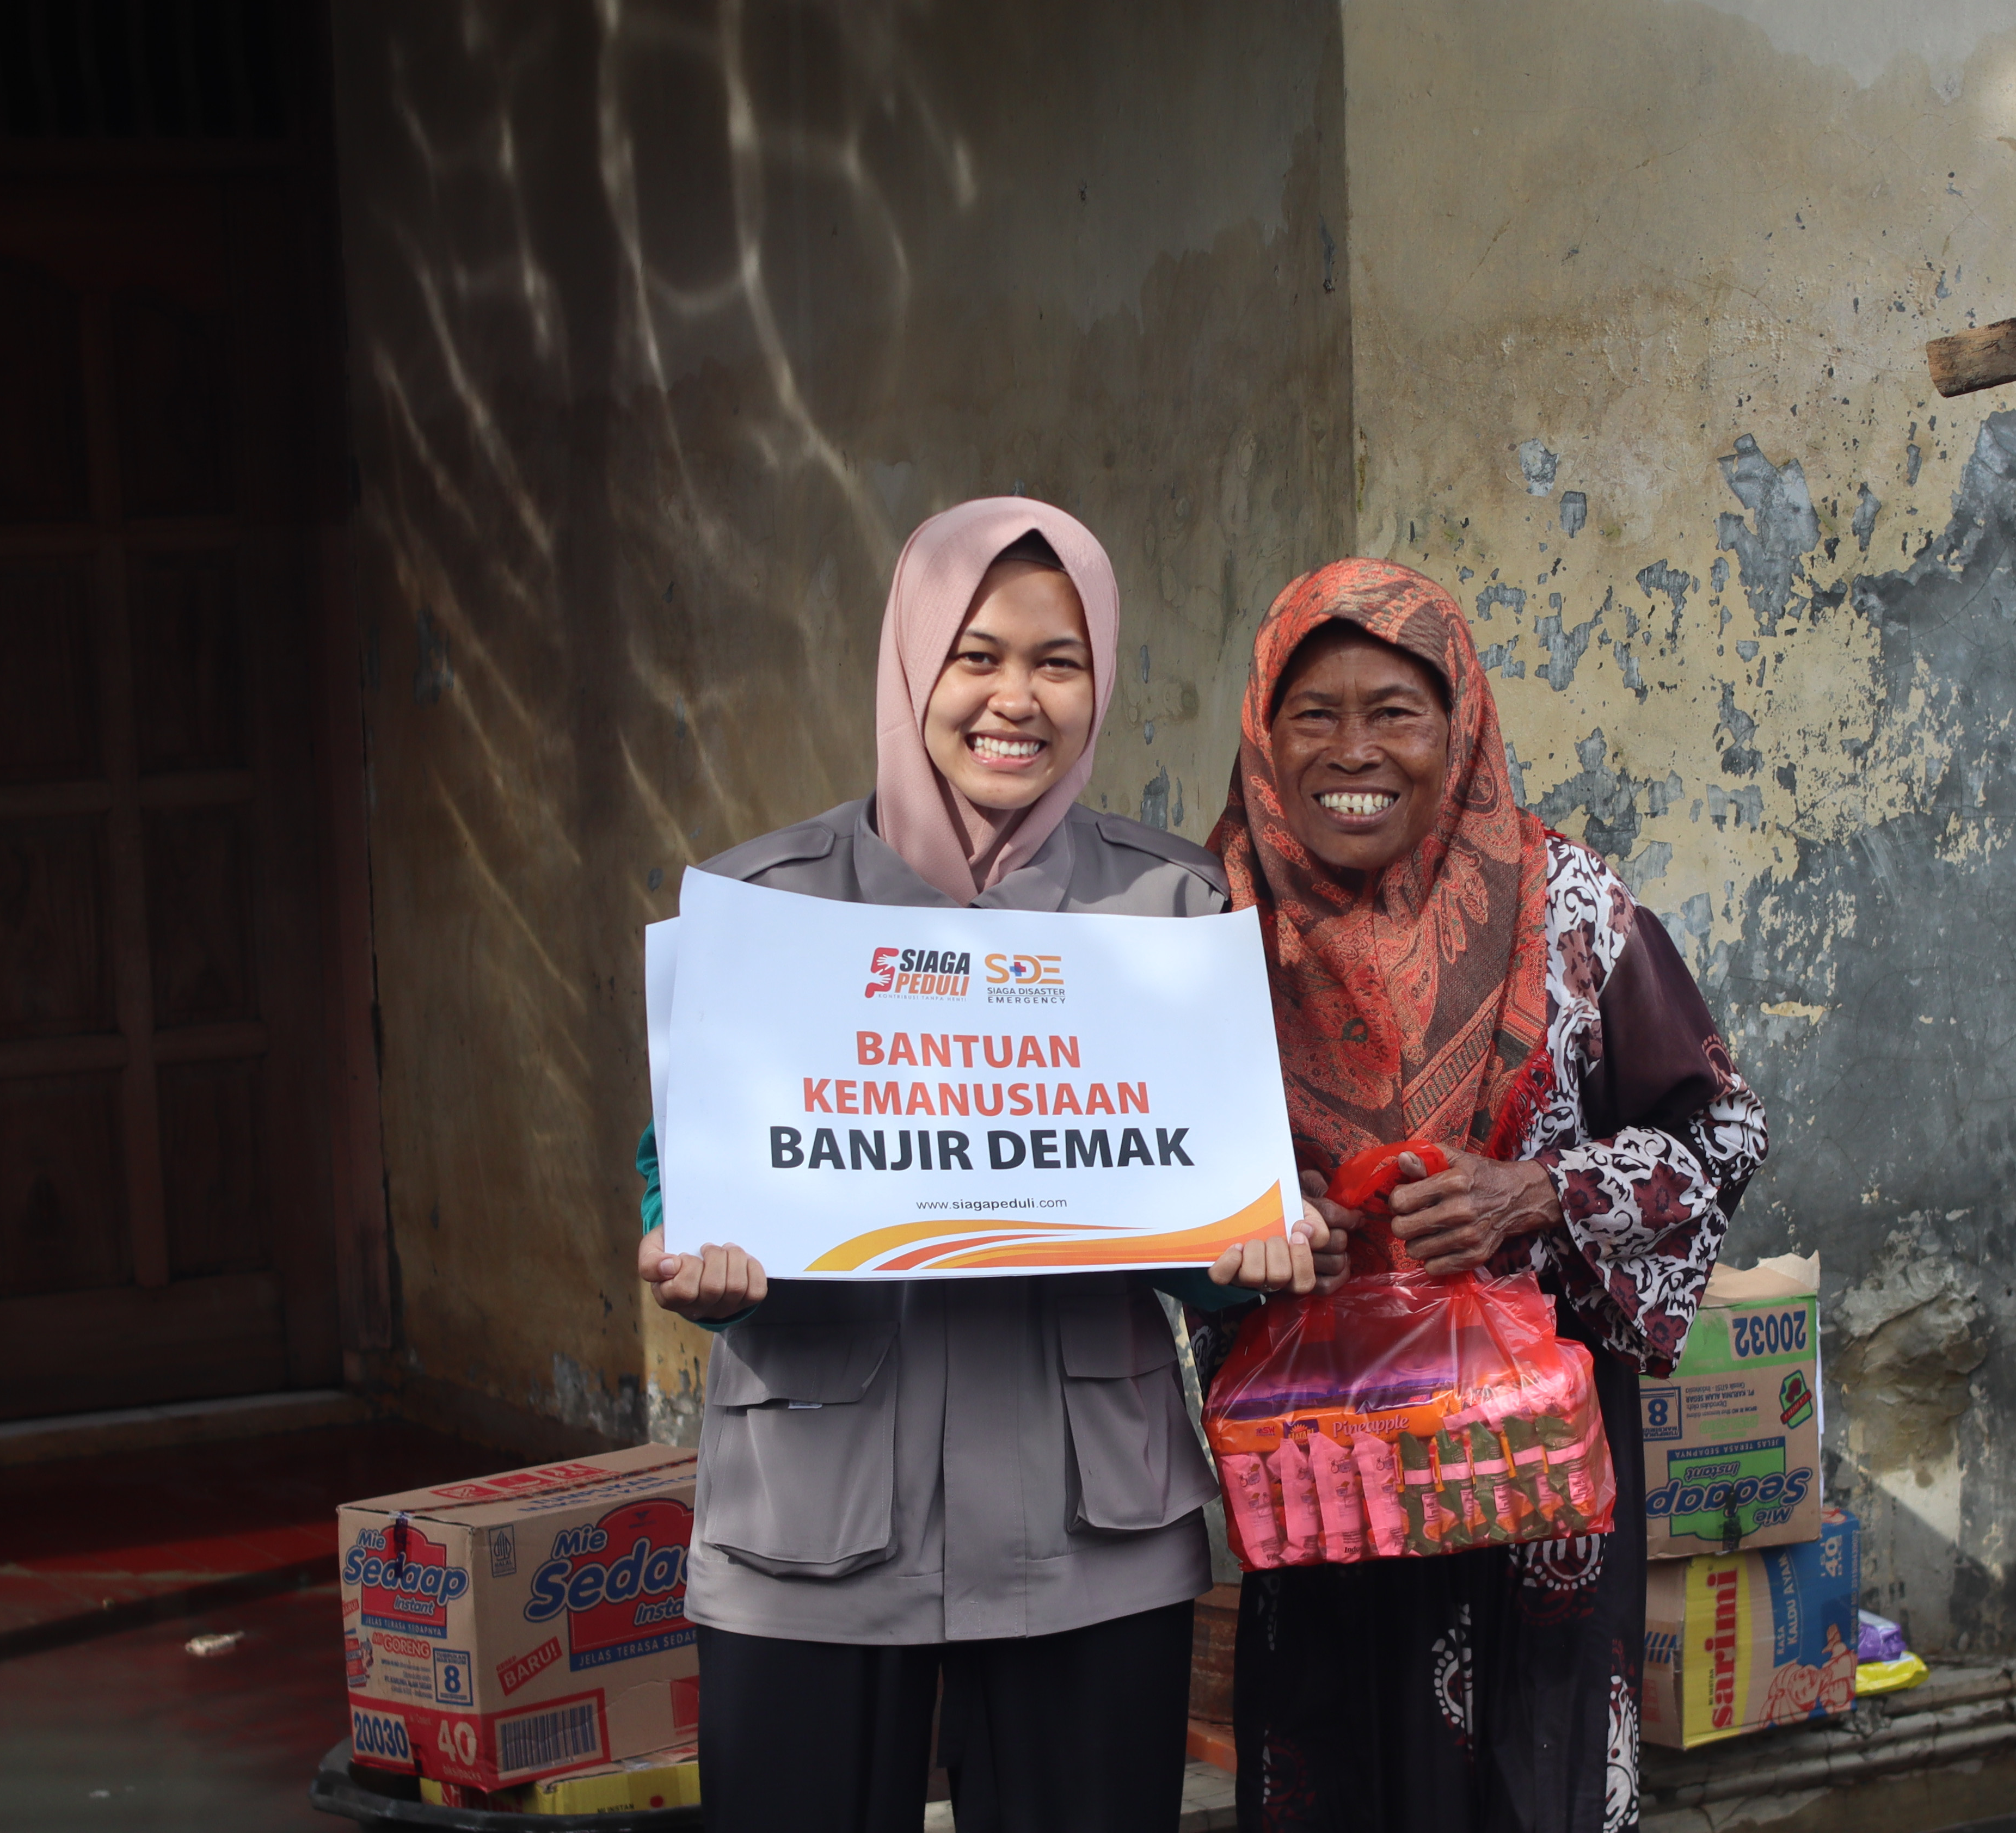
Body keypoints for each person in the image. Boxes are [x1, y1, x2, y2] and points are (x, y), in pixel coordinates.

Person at [634, 498, 1329, 1833]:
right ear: (912, 663)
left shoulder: (1172, 909)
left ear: (1100, 676)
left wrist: (1248, 1255)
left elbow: (1208, 1216)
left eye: (1058, 661)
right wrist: (693, 1258)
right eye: (977, 654)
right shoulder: (763, 909)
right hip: (815, 1538)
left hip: (1087, 1540)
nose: (1017, 699)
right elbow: (679, 1188)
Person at [1204, 558, 1769, 1833]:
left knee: (1540, 1783)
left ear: (1458, 726)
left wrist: (1536, 1193)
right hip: (1325, 1483)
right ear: (1262, 730)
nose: (1356, 749)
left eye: (1395, 710)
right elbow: (1146, 1177)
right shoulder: (1211, 925)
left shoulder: (1570, 908)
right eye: (1315, 714)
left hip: (1536, 1507)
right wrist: (1264, 1213)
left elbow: (1723, 1129)